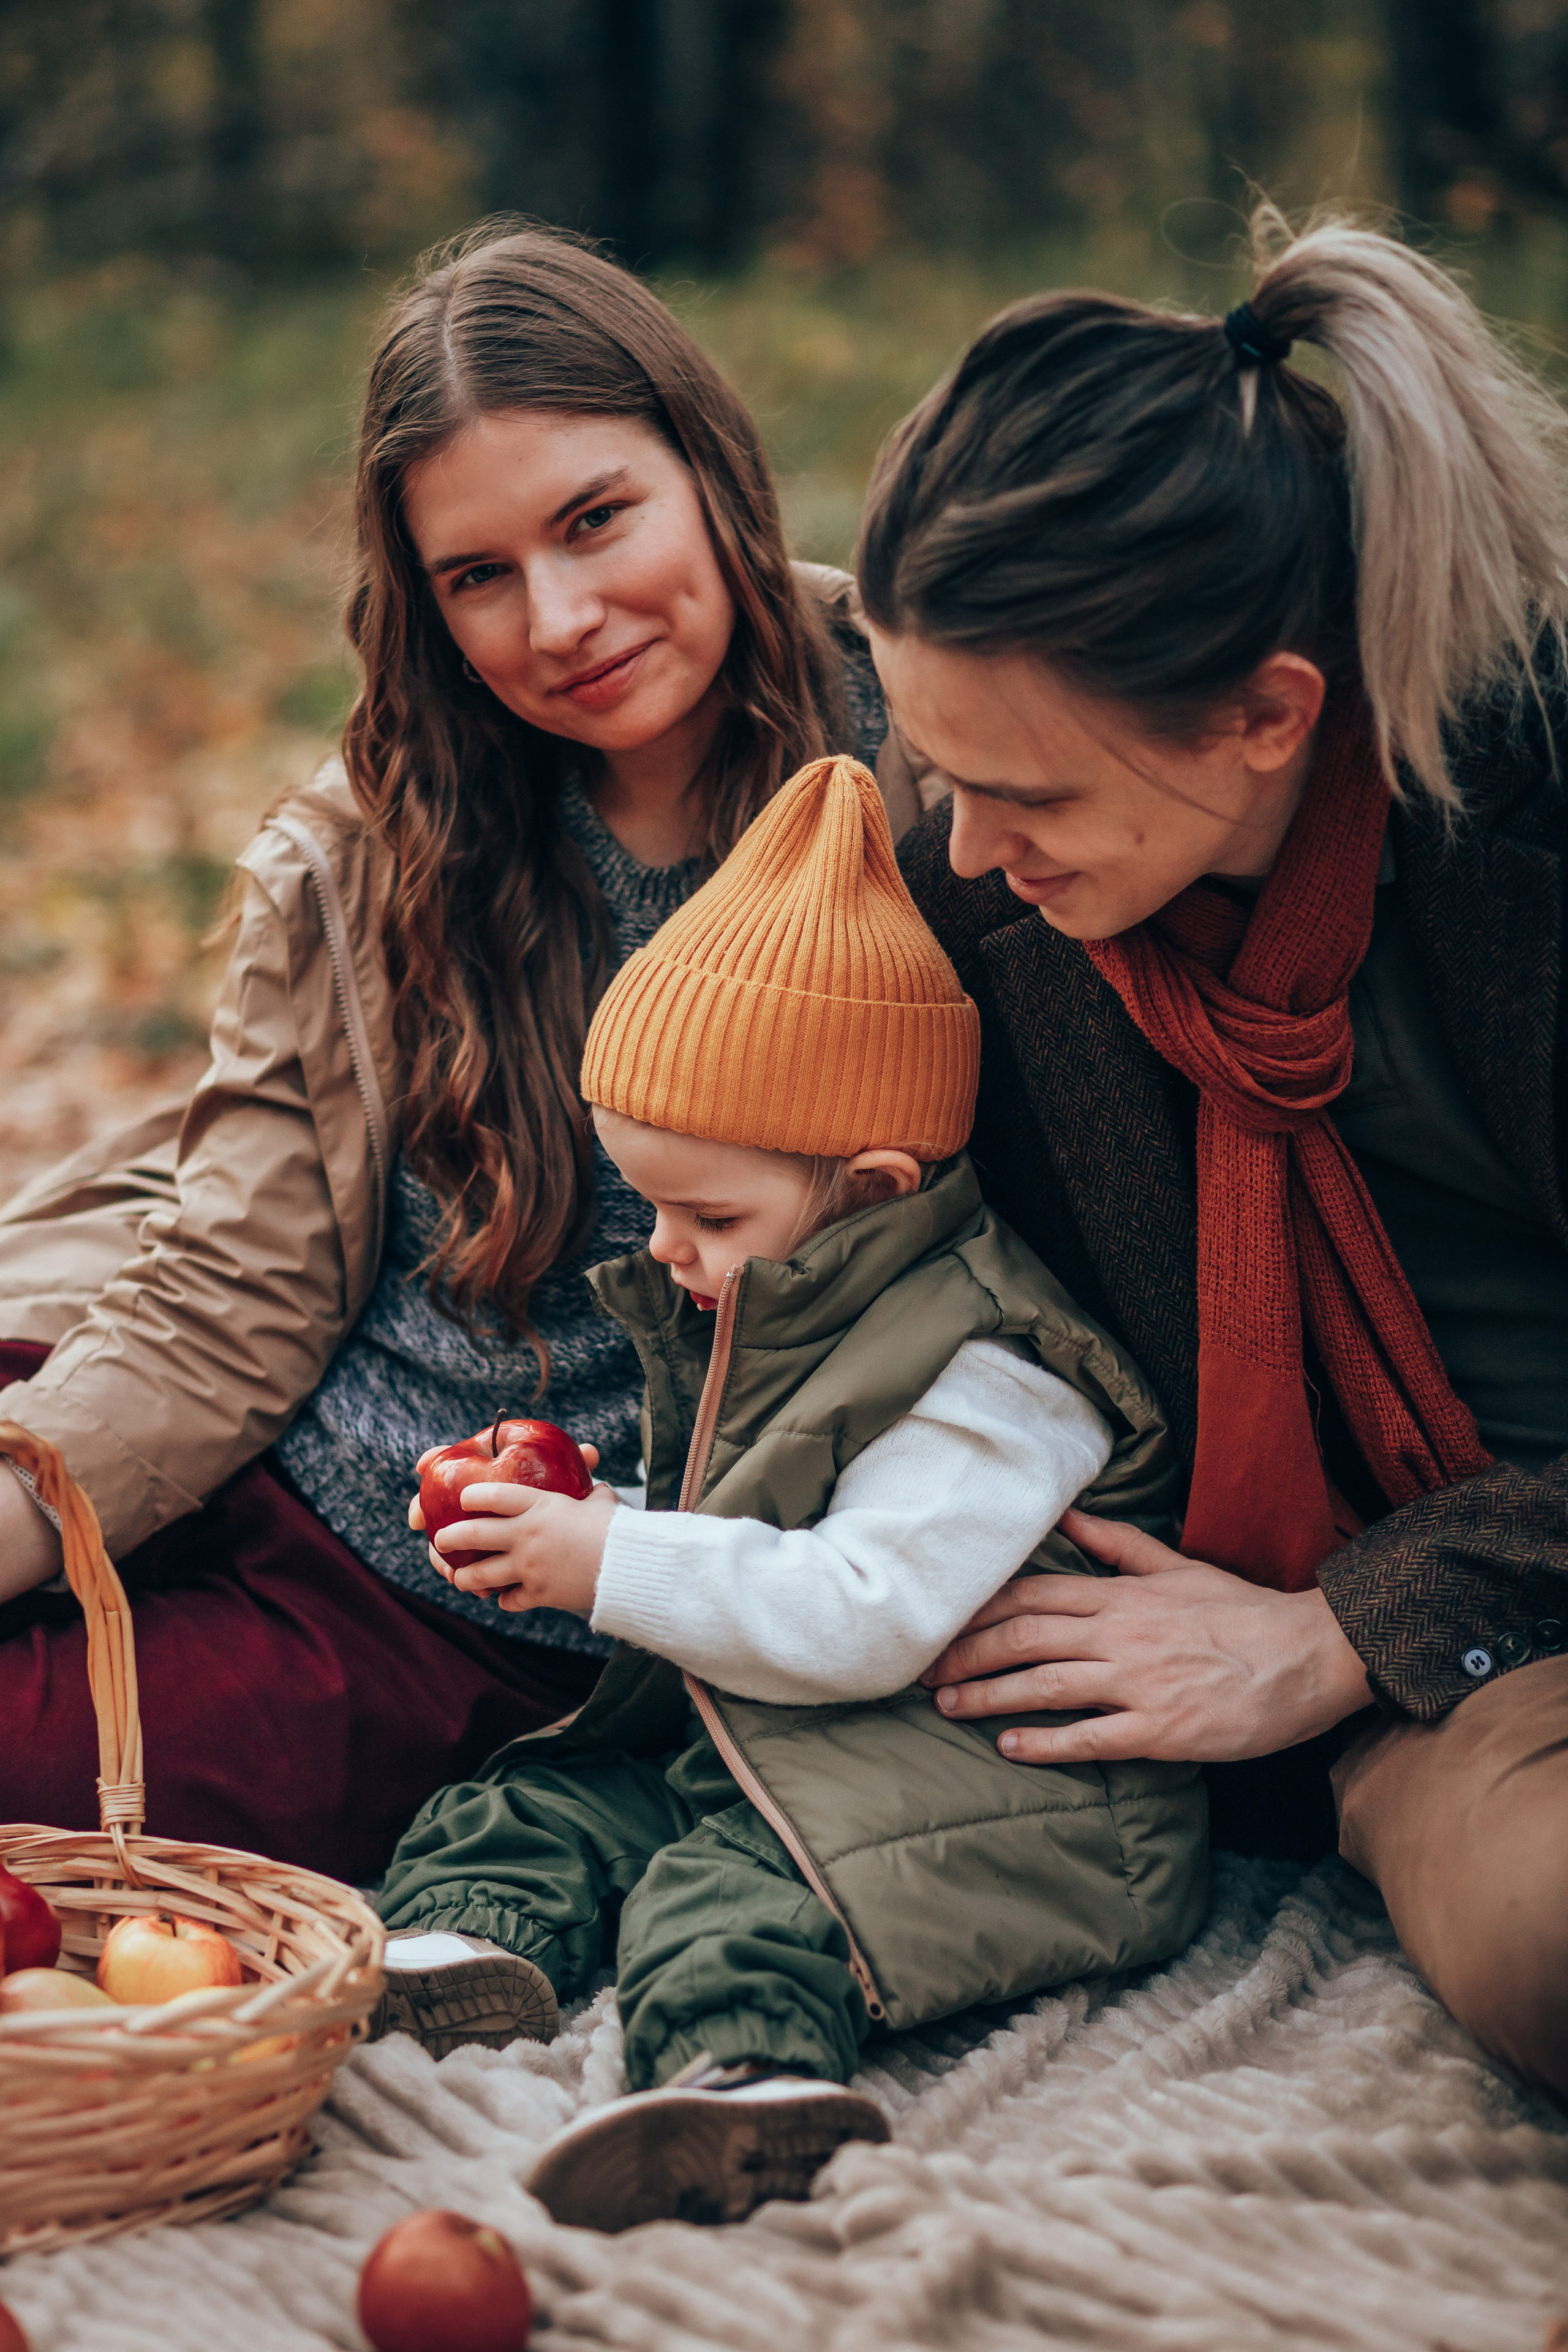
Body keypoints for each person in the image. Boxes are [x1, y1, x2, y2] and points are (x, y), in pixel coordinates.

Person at [0, 224, 912, 1883]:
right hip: (259, 1426)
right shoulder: (385, 837)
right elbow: (229, 1304)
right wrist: (35, 1508)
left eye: (594, 521)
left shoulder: (934, 765)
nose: (558, 618)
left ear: (708, 469)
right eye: (477, 576)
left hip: (476, 1599)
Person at [859, 205, 1568, 2101]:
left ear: (1270, 716)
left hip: (1482, 1567)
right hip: (1481, 1677)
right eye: (940, 779)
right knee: (1551, 1933)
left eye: (1019, 796)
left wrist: (1342, 1636)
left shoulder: (1528, 840)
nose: (963, 853)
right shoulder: (1022, 888)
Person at [369, 755, 1207, 2232]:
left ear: (874, 1189)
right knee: (543, 1793)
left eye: (710, 1215)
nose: (670, 1250)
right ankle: (456, 1953)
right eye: (652, 1208)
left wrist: (608, 1556)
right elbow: (754, 1524)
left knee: (734, 1889)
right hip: (795, 1732)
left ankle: (737, 2089)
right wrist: (573, 1516)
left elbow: (859, 1611)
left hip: (993, 1782)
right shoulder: (782, 1307)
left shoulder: (997, 1378)